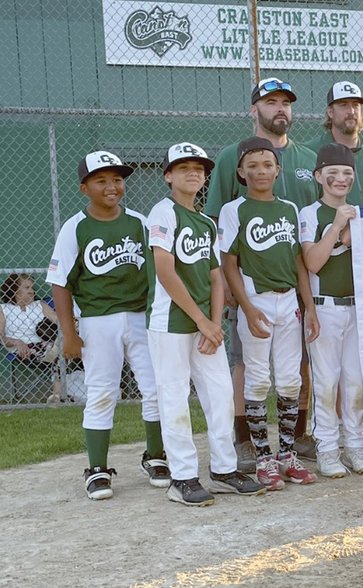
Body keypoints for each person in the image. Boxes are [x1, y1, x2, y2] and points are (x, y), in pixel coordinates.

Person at [205, 78, 319, 473]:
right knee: (252, 374)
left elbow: (300, 255)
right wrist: (230, 289)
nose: (280, 108)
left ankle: (288, 449)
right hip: (252, 292)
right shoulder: (231, 173)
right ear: (254, 109)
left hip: (291, 295)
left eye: (286, 102)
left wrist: (309, 304)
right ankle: (253, 446)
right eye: (271, 101)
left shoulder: (300, 173)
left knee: (291, 376)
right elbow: (225, 248)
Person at [147, 142, 264, 506]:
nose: (193, 173)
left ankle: (223, 470)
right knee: (174, 397)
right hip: (171, 322)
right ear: (168, 176)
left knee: (220, 395)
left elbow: (216, 276)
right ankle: (181, 477)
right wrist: (201, 320)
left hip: (204, 325)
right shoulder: (163, 212)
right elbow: (165, 270)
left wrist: (214, 323)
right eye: (183, 168)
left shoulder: (202, 221)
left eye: (198, 168)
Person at [45, 152, 164, 500]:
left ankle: (156, 456)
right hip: (98, 320)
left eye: (117, 179)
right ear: (85, 188)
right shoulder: (76, 227)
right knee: (102, 392)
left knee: (154, 387)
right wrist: (69, 332)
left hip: (142, 317)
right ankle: (97, 468)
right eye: (101, 180)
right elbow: (60, 283)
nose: (112, 186)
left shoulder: (140, 222)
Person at [299, 143, 363, 477]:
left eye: (346, 173)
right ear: (319, 176)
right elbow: (312, 263)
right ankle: (327, 448)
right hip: (324, 307)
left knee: (356, 382)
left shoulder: (357, 212)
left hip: (357, 309)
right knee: (326, 382)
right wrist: (337, 227)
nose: (340, 179)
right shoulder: (309, 214)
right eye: (332, 173)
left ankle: (356, 445)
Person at [305, 81, 363, 206]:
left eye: (356, 105)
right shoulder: (310, 151)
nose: (351, 111)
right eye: (343, 105)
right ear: (330, 112)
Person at [0, 274, 61, 401]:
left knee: (60, 348)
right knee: (59, 353)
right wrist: (17, 342)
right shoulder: (4, 309)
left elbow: (57, 319)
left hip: (46, 343)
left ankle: (58, 395)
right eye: (27, 288)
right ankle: (57, 395)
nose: (32, 291)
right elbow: (1, 337)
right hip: (23, 350)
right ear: (15, 290)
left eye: (32, 288)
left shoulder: (40, 305)